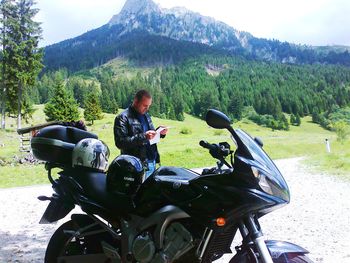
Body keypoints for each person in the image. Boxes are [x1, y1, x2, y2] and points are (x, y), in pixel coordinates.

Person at [114, 89, 168, 179]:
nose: (147, 108)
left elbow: (151, 134)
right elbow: (120, 142)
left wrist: (160, 132)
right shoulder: (123, 117)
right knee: (138, 192)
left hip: (152, 161)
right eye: (145, 105)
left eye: (149, 106)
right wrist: (143, 136)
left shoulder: (146, 115)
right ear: (136, 101)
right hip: (136, 165)